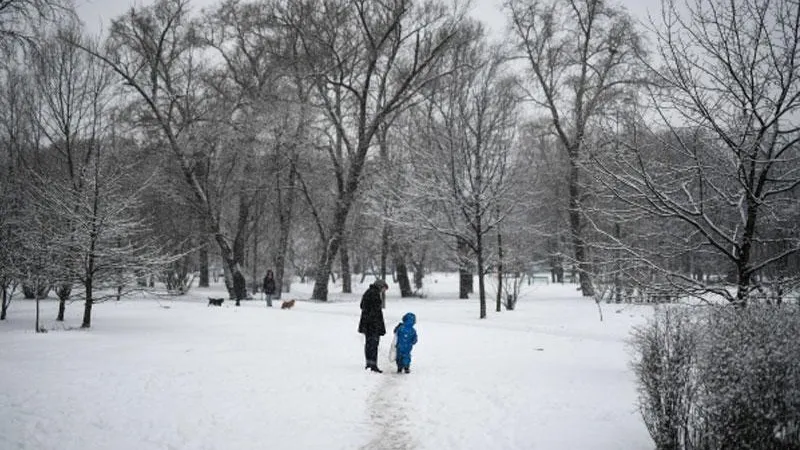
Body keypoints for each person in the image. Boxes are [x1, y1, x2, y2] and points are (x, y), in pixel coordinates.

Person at [358, 279, 388, 373]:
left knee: (369, 344)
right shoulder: (374, 294)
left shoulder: (368, 292)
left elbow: (362, 305)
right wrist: (376, 323)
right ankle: (373, 365)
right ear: (380, 286)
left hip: (368, 323)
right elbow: (375, 311)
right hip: (373, 324)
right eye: (384, 289)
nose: (383, 291)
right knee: (373, 344)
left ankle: (369, 363)